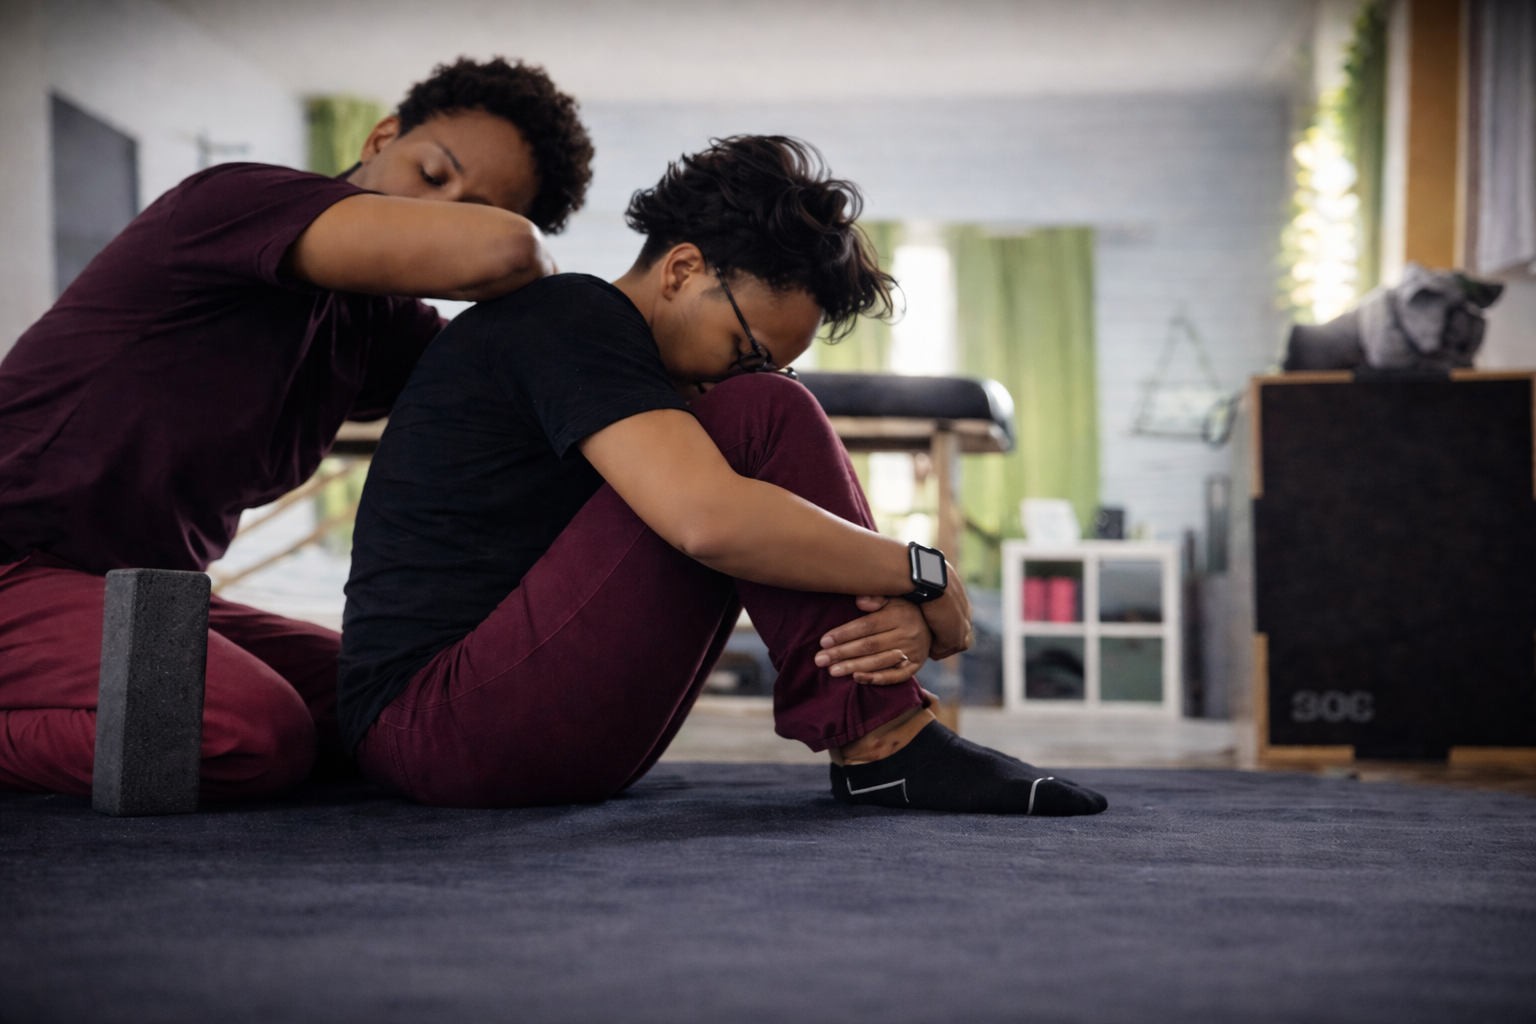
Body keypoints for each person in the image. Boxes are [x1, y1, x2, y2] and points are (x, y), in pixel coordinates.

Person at [339, 136, 1108, 816]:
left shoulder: (634, 375)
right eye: (745, 349)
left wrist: (894, 607)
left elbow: (727, 528)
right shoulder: (569, 317)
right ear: (681, 269)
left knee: (764, 427)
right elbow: (707, 521)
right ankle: (886, 743)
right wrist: (920, 571)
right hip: (434, 723)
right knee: (765, 415)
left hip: (522, 735)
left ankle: (884, 734)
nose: (745, 373)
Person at [0, 57, 595, 801]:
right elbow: (504, 254)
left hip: (145, 597)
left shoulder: (376, 325)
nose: (443, 217)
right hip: (14, 561)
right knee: (249, 733)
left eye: (478, 208)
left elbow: (515, 390)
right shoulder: (235, 200)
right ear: (382, 137)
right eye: (436, 176)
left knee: (382, 710)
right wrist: (510, 247)